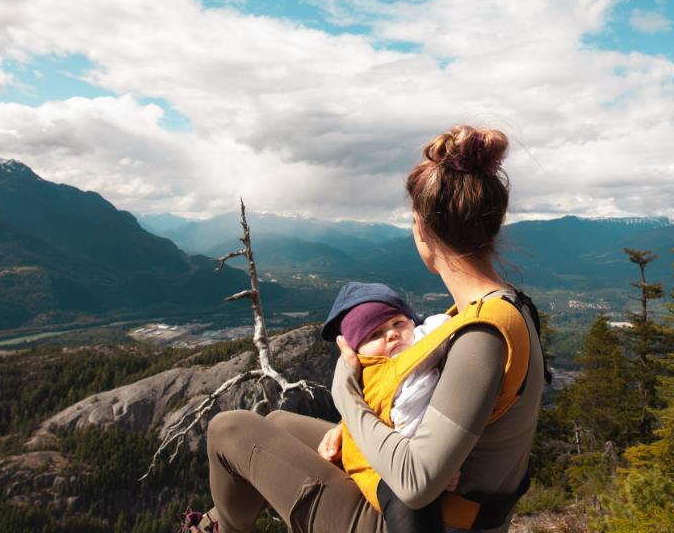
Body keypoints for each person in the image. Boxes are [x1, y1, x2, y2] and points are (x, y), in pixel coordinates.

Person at [191, 125, 545, 533]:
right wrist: (351, 425)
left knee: (229, 428)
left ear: (423, 230)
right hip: (435, 508)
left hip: (418, 521)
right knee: (280, 423)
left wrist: (347, 394)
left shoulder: (483, 336)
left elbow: (415, 482)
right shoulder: (498, 309)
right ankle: (214, 521)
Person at [318, 282, 456, 533]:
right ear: (358, 352)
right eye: (374, 334)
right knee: (408, 505)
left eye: (398, 323)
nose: (391, 334)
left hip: (423, 460)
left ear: (414, 322)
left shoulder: (430, 343)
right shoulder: (369, 375)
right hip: (381, 471)